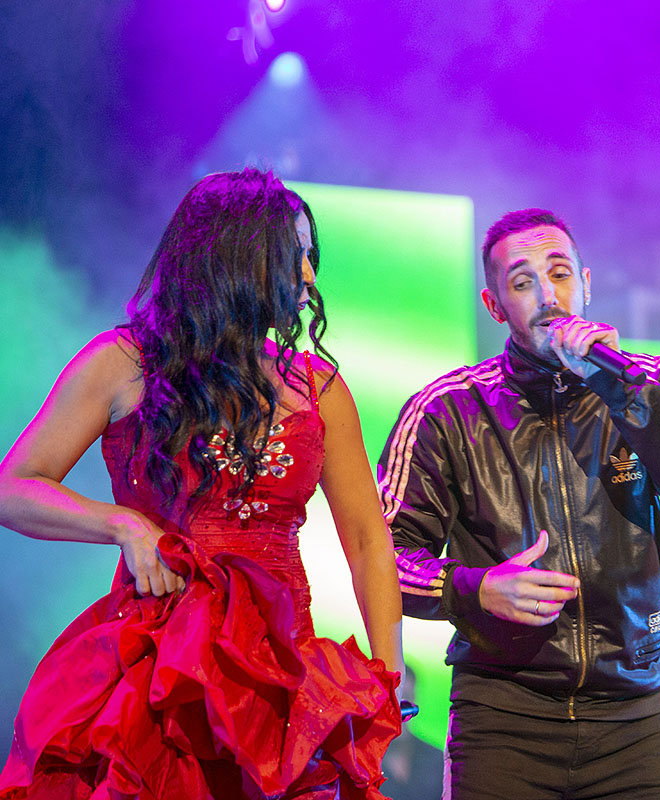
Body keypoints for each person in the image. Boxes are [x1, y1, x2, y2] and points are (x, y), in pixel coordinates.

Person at [0, 168, 405, 799]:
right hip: (160, 674)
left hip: (283, 677)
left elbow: (368, 541)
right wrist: (122, 524)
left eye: (311, 258)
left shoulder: (319, 387)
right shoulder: (123, 363)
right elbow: (14, 487)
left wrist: (388, 675)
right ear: (235, 257)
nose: (309, 277)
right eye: (293, 256)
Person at [377, 208, 660, 799]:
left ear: (586, 284)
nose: (549, 295)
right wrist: (475, 588)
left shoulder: (648, 384)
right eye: (523, 282)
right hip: (503, 721)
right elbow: (383, 559)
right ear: (495, 306)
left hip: (633, 718)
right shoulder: (448, 410)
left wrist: (624, 392)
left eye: (561, 274)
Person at [379, 667, 444, 800]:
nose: (399, 711)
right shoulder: (359, 765)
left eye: (405, 700)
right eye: (392, 700)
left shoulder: (436, 760)